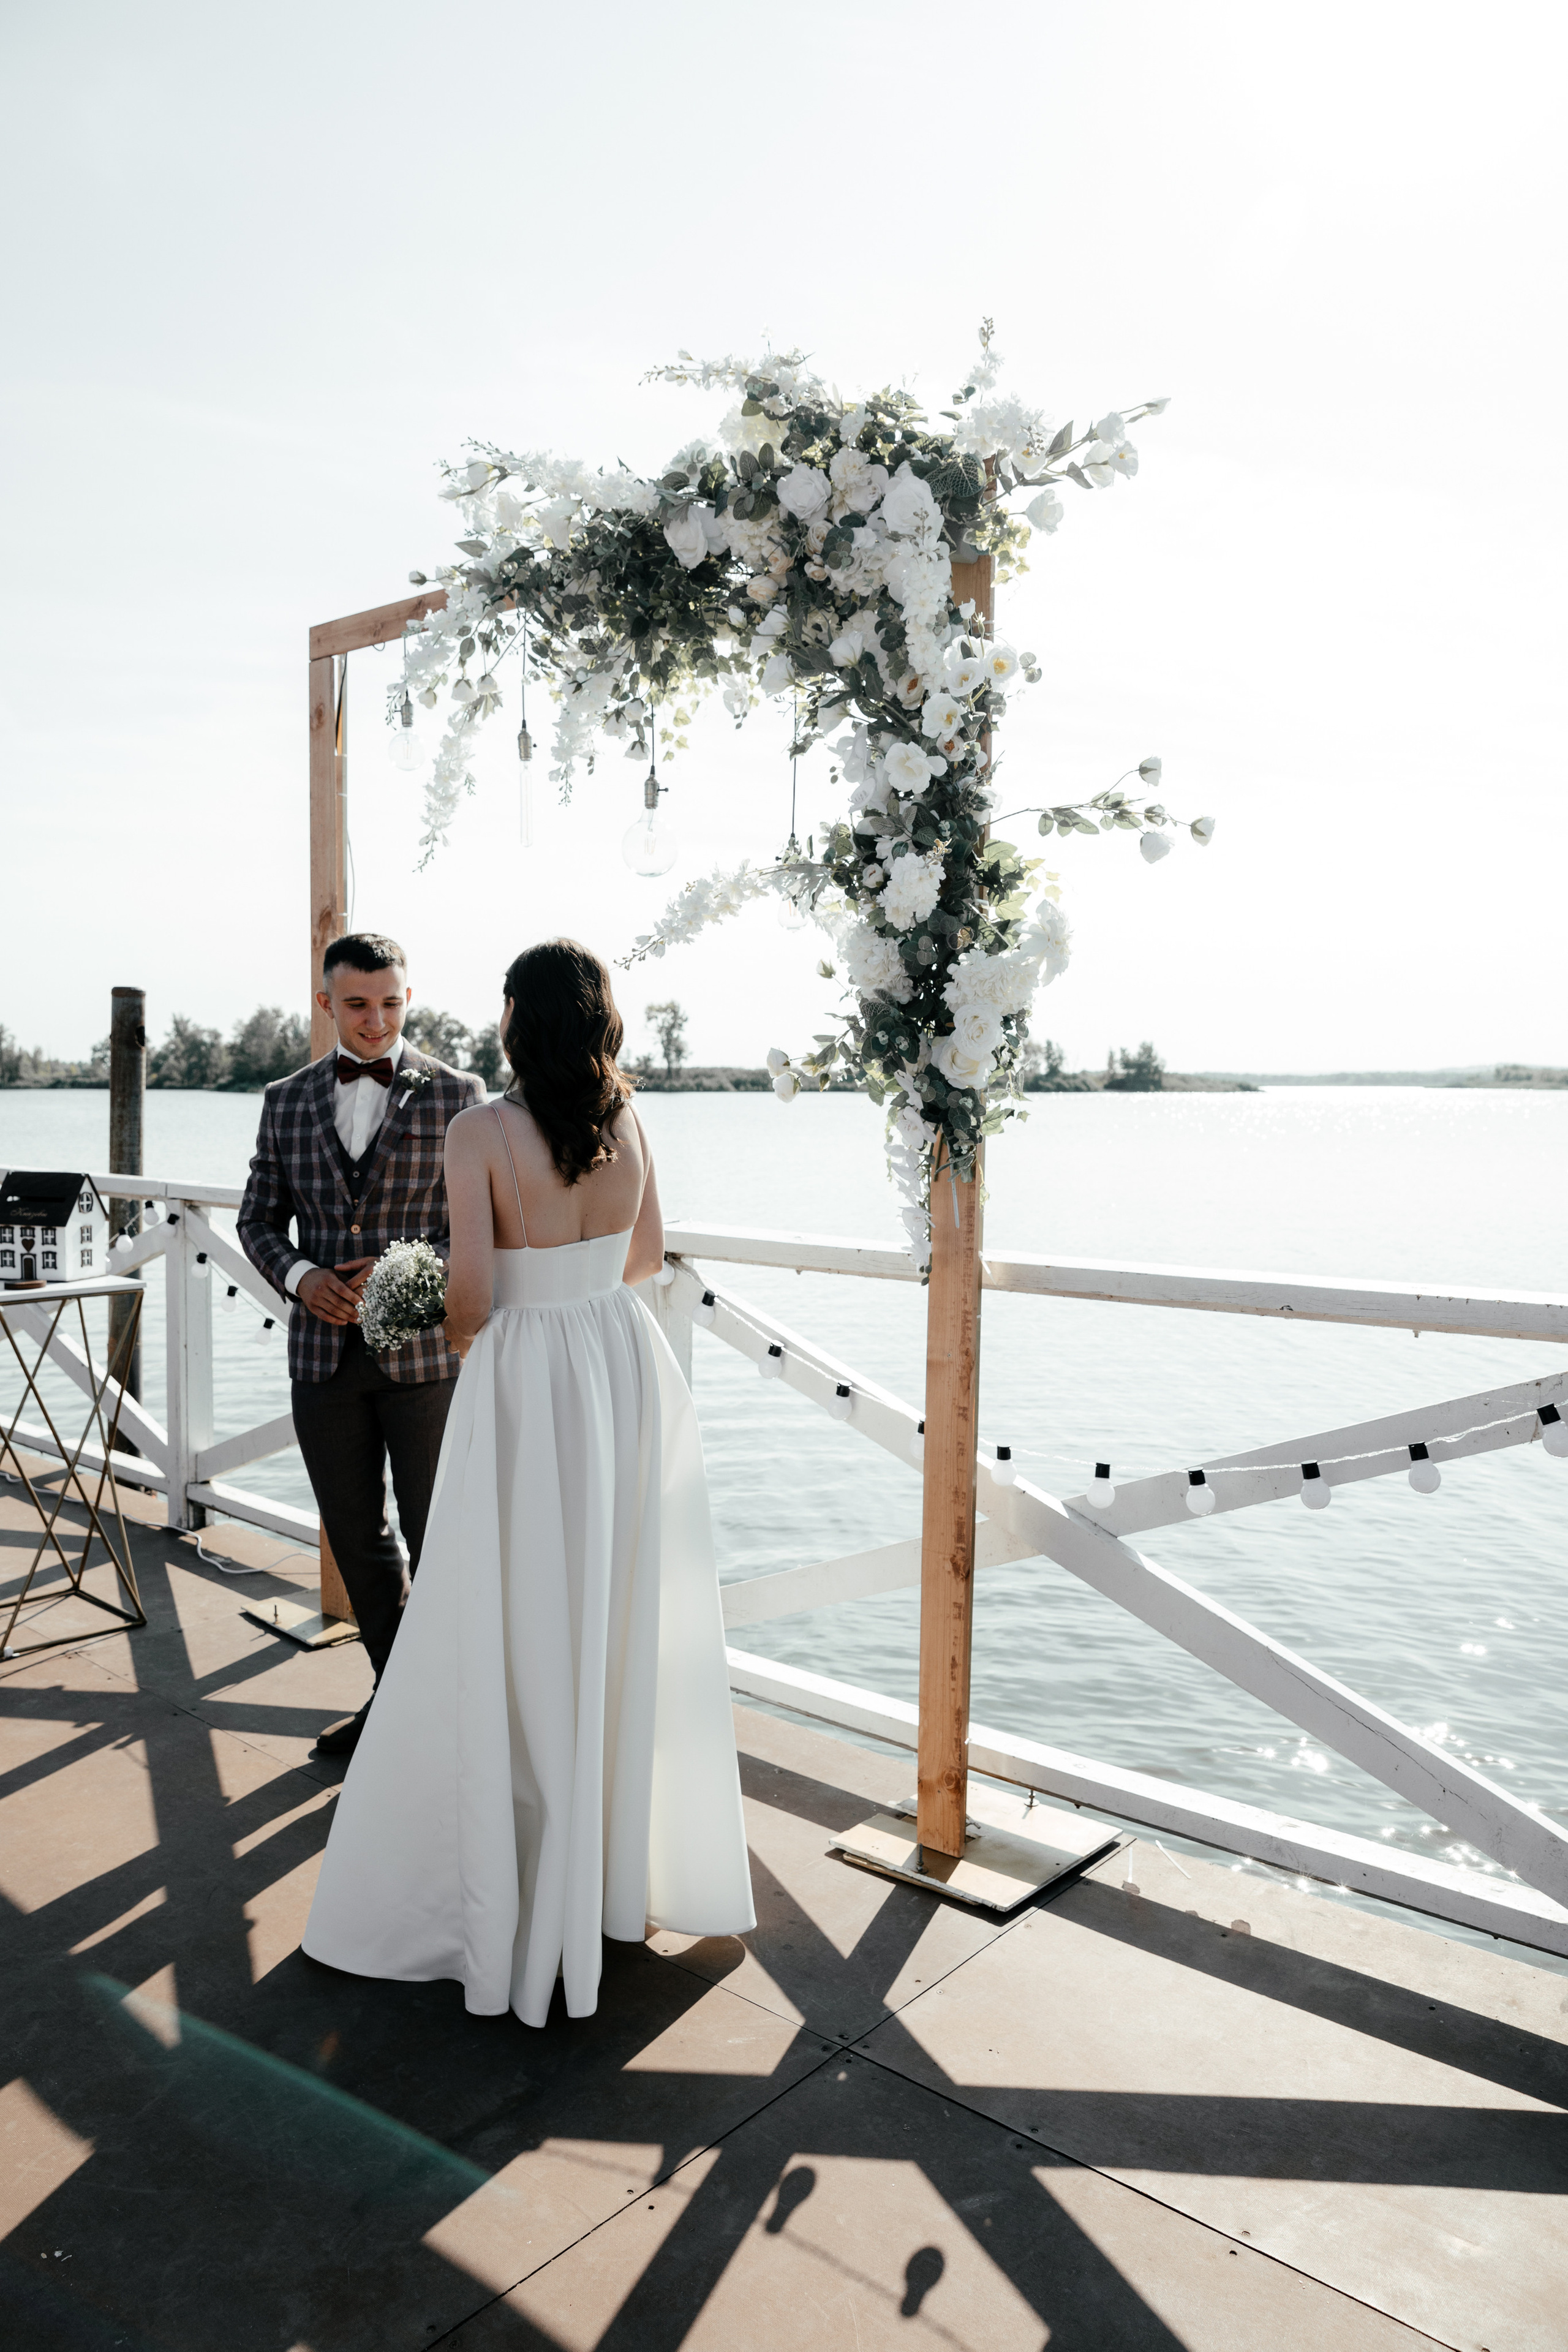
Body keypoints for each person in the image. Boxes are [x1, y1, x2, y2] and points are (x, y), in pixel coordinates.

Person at [302, 938, 754, 2026]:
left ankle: (511, 1871)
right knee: (610, 1605)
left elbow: (466, 1298)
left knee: (503, 1609)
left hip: (529, 1378)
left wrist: (446, 1316)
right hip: (620, 1365)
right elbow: (646, 1261)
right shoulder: (631, 1121)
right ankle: (609, 1872)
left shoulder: (481, 1131)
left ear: (513, 1017)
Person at [237, 932, 486, 1754]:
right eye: (357, 1005)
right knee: (355, 1534)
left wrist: (407, 1277)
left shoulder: (463, 1098)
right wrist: (304, 1276)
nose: (376, 1021)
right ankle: (400, 1699)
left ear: (408, 998)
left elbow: (481, 1238)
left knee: (436, 1537)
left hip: (425, 1363)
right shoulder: (285, 1099)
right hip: (322, 1360)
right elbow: (257, 1221)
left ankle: (441, 1716)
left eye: (390, 1003)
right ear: (326, 1005)